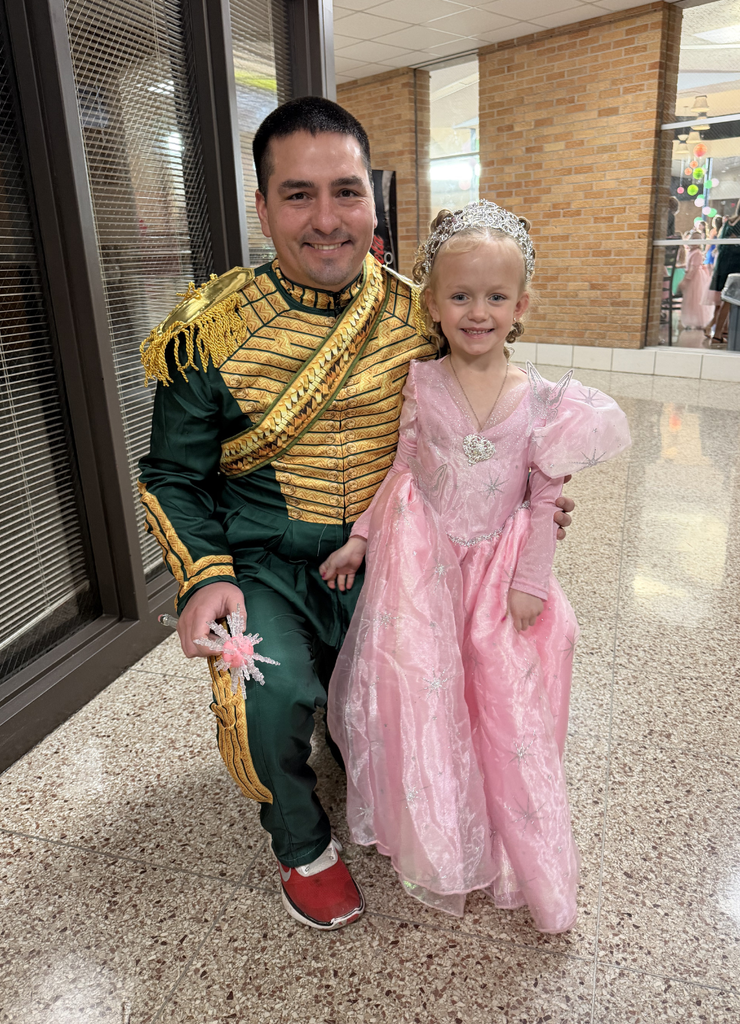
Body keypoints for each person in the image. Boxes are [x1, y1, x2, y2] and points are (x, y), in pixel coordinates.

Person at [137, 99, 575, 932]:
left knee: (419, 700)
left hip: (405, 559)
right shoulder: (208, 332)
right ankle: (302, 845)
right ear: (262, 208)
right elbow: (170, 474)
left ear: (374, 201)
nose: (327, 219)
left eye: (346, 192)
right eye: (298, 195)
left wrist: (527, 495)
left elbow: (489, 412)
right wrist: (203, 578)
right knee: (263, 695)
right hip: (267, 562)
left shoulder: (423, 309)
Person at [322, 202, 631, 932]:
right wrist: (363, 538)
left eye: (495, 297)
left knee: (501, 708)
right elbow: (401, 469)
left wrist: (529, 581)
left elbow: (543, 496)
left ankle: (503, 841)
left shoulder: (549, 402)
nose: (477, 312)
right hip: (423, 573)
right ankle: (433, 832)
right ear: (431, 302)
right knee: (429, 701)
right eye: (459, 296)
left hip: (498, 579)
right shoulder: (419, 382)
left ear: (521, 305)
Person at [706, 194, 740, 343]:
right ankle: (717, 332)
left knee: (726, 297)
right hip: (737, 262)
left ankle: (721, 329)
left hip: (724, 261)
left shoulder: (730, 221)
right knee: (730, 298)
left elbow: (723, 244)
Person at [679, 230, 713, 330]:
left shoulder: (697, 253)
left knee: (695, 298)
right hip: (691, 275)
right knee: (690, 299)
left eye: (696, 240)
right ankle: (691, 320)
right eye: (692, 239)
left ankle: (699, 321)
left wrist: (686, 279)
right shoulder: (690, 252)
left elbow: (694, 268)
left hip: (696, 278)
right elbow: (689, 264)